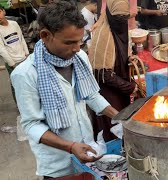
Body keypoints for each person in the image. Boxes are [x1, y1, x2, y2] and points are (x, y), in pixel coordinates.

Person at [10, 1, 118, 178]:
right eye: (69, 43)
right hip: (57, 165)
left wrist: (121, 118)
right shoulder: (26, 74)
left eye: (80, 41)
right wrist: (70, 146)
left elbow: (90, 95)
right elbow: (31, 125)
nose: (77, 48)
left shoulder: (80, 58)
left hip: (87, 151)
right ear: (45, 35)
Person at [90, 0, 138, 141]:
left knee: (122, 125)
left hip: (120, 90)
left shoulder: (121, 30)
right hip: (107, 94)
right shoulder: (102, 35)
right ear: (110, 15)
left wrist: (128, 59)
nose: (121, 21)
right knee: (111, 131)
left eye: (124, 17)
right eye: (118, 17)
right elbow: (103, 73)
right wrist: (130, 87)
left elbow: (120, 53)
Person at [0, 5, 29, 103]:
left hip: (23, 58)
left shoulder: (14, 24)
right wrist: (12, 63)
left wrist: (27, 53)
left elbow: (21, 38)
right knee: (16, 85)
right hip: (13, 62)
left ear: (3, 11)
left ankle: (29, 103)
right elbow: (2, 49)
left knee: (28, 82)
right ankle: (20, 106)